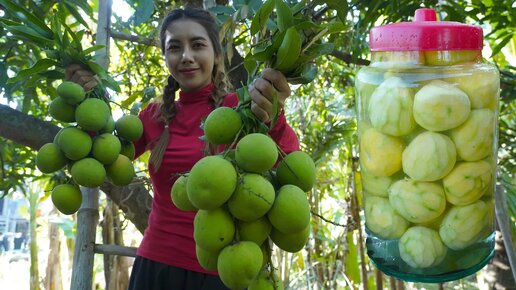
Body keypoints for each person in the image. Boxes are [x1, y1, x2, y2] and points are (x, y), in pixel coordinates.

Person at [66, 7, 300, 290]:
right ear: (165, 57)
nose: (186, 56)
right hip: (156, 267)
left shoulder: (242, 110)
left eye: (197, 45)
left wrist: (273, 112)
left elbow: (287, 163)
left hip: (224, 271)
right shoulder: (153, 117)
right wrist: (91, 101)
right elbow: (103, 157)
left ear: (216, 54)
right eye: (174, 48)